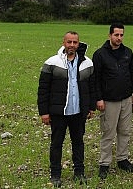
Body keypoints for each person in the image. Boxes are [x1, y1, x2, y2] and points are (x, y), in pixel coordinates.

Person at [38, 31, 96, 187]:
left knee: (78, 143)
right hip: (59, 112)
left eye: (75, 42)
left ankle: (79, 172)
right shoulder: (52, 62)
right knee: (56, 143)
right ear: (63, 42)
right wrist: (44, 112)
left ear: (78, 44)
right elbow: (43, 89)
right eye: (69, 42)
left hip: (78, 112)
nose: (72, 45)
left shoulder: (87, 63)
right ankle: (55, 174)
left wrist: (91, 107)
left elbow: (92, 88)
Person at [93, 22, 133, 179]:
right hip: (109, 100)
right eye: (116, 35)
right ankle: (104, 163)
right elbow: (96, 79)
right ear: (109, 35)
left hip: (126, 99)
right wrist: (98, 98)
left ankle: (122, 159)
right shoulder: (100, 54)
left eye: (121, 35)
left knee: (125, 131)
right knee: (108, 132)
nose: (119, 38)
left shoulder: (127, 52)